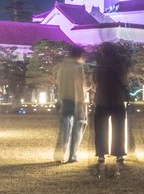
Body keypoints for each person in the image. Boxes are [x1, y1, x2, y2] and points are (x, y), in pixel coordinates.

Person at [93, 42, 130, 177]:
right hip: (117, 100)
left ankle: (101, 154)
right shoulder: (121, 65)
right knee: (118, 129)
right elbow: (125, 81)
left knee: (100, 129)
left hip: (102, 100)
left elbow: (94, 80)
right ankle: (119, 154)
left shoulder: (100, 65)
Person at [55, 46, 88, 163]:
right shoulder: (78, 67)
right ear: (80, 56)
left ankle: (62, 155)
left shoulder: (62, 66)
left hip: (64, 99)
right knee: (77, 128)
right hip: (76, 100)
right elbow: (81, 84)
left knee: (65, 129)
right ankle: (72, 155)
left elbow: (58, 82)